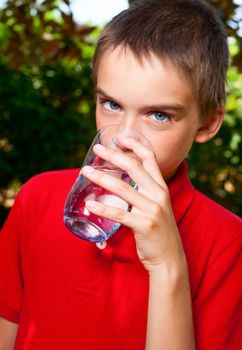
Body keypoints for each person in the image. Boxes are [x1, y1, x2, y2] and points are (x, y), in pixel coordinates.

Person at [0, 0, 241, 349]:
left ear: (207, 123)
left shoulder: (228, 245)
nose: (123, 138)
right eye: (111, 104)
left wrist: (167, 266)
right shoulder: (37, 198)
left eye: (158, 115)